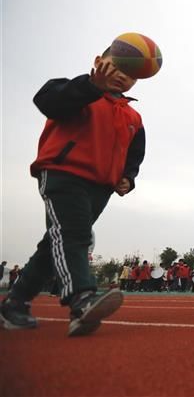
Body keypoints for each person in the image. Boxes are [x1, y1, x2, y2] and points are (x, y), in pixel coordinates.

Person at [0, 46, 145, 336]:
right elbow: (47, 101)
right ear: (98, 62)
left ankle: (15, 302)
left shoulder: (133, 118)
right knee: (74, 235)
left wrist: (128, 178)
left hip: (101, 188)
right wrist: (90, 86)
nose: (121, 77)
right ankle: (82, 300)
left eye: (130, 75)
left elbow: (134, 155)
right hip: (63, 175)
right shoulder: (75, 91)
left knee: (56, 242)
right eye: (116, 67)